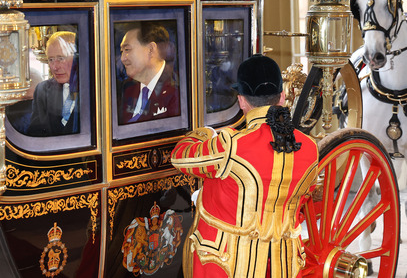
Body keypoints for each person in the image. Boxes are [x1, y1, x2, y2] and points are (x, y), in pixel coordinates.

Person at [171, 54, 318, 278]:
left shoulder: (230, 145)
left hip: (226, 266)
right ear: (282, 96)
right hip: (282, 266)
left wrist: (204, 134)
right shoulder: (309, 148)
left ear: (241, 101)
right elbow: (305, 196)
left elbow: (180, 157)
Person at [118, 23, 180, 124]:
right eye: (121, 51)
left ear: (151, 50)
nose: (122, 58)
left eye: (127, 50)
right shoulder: (127, 88)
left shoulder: (179, 90)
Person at [26, 31, 79, 136]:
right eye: (51, 60)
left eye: (61, 58)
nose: (55, 67)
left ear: (77, 58)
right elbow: (34, 135)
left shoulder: (93, 88)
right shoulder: (42, 90)